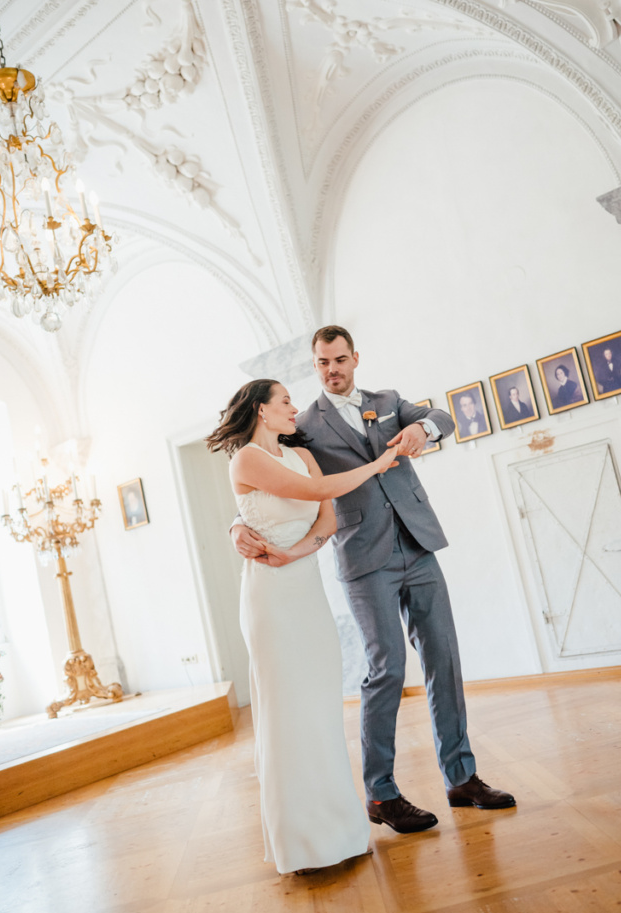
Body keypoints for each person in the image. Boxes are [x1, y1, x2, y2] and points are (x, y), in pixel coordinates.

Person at [231, 326, 515, 835]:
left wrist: (423, 430)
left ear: (355, 358)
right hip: (364, 557)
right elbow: (265, 476)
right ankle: (381, 793)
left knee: (444, 657)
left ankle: (462, 778)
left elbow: (442, 416)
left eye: (339, 359)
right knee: (387, 668)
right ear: (315, 365)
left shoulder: (387, 402)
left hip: (418, 544)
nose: (332, 370)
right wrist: (237, 523)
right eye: (323, 363)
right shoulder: (303, 424)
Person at [207, 378, 398, 875]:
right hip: (270, 598)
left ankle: (342, 832)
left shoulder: (303, 455)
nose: (294, 408)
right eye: (285, 401)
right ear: (260, 410)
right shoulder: (246, 459)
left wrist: (294, 553)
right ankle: (301, 844)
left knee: (319, 708)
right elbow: (315, 491)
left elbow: (327, 522)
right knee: (287, 711)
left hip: (306, 590)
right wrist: (377, 465)